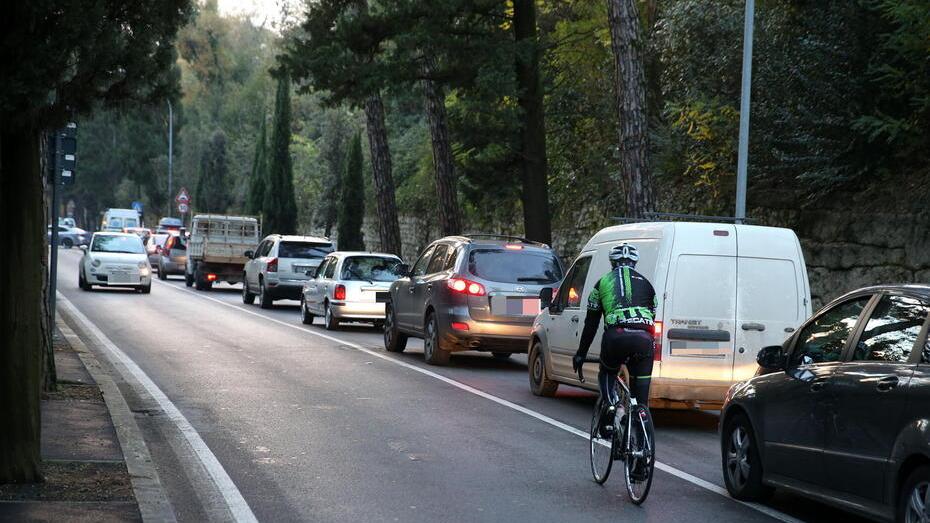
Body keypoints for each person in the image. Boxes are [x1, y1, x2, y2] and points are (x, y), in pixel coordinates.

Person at [572, 243, 657, 436]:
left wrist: (581, 354)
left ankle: (611, 405)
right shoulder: (647, 284)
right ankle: (640, 439)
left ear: (612, 262)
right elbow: (651, 316)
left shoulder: (601, 283)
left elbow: (591, 323)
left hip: (616, 337)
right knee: (640, 402)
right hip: (644, 339)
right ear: (635, 263)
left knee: (607, 373)